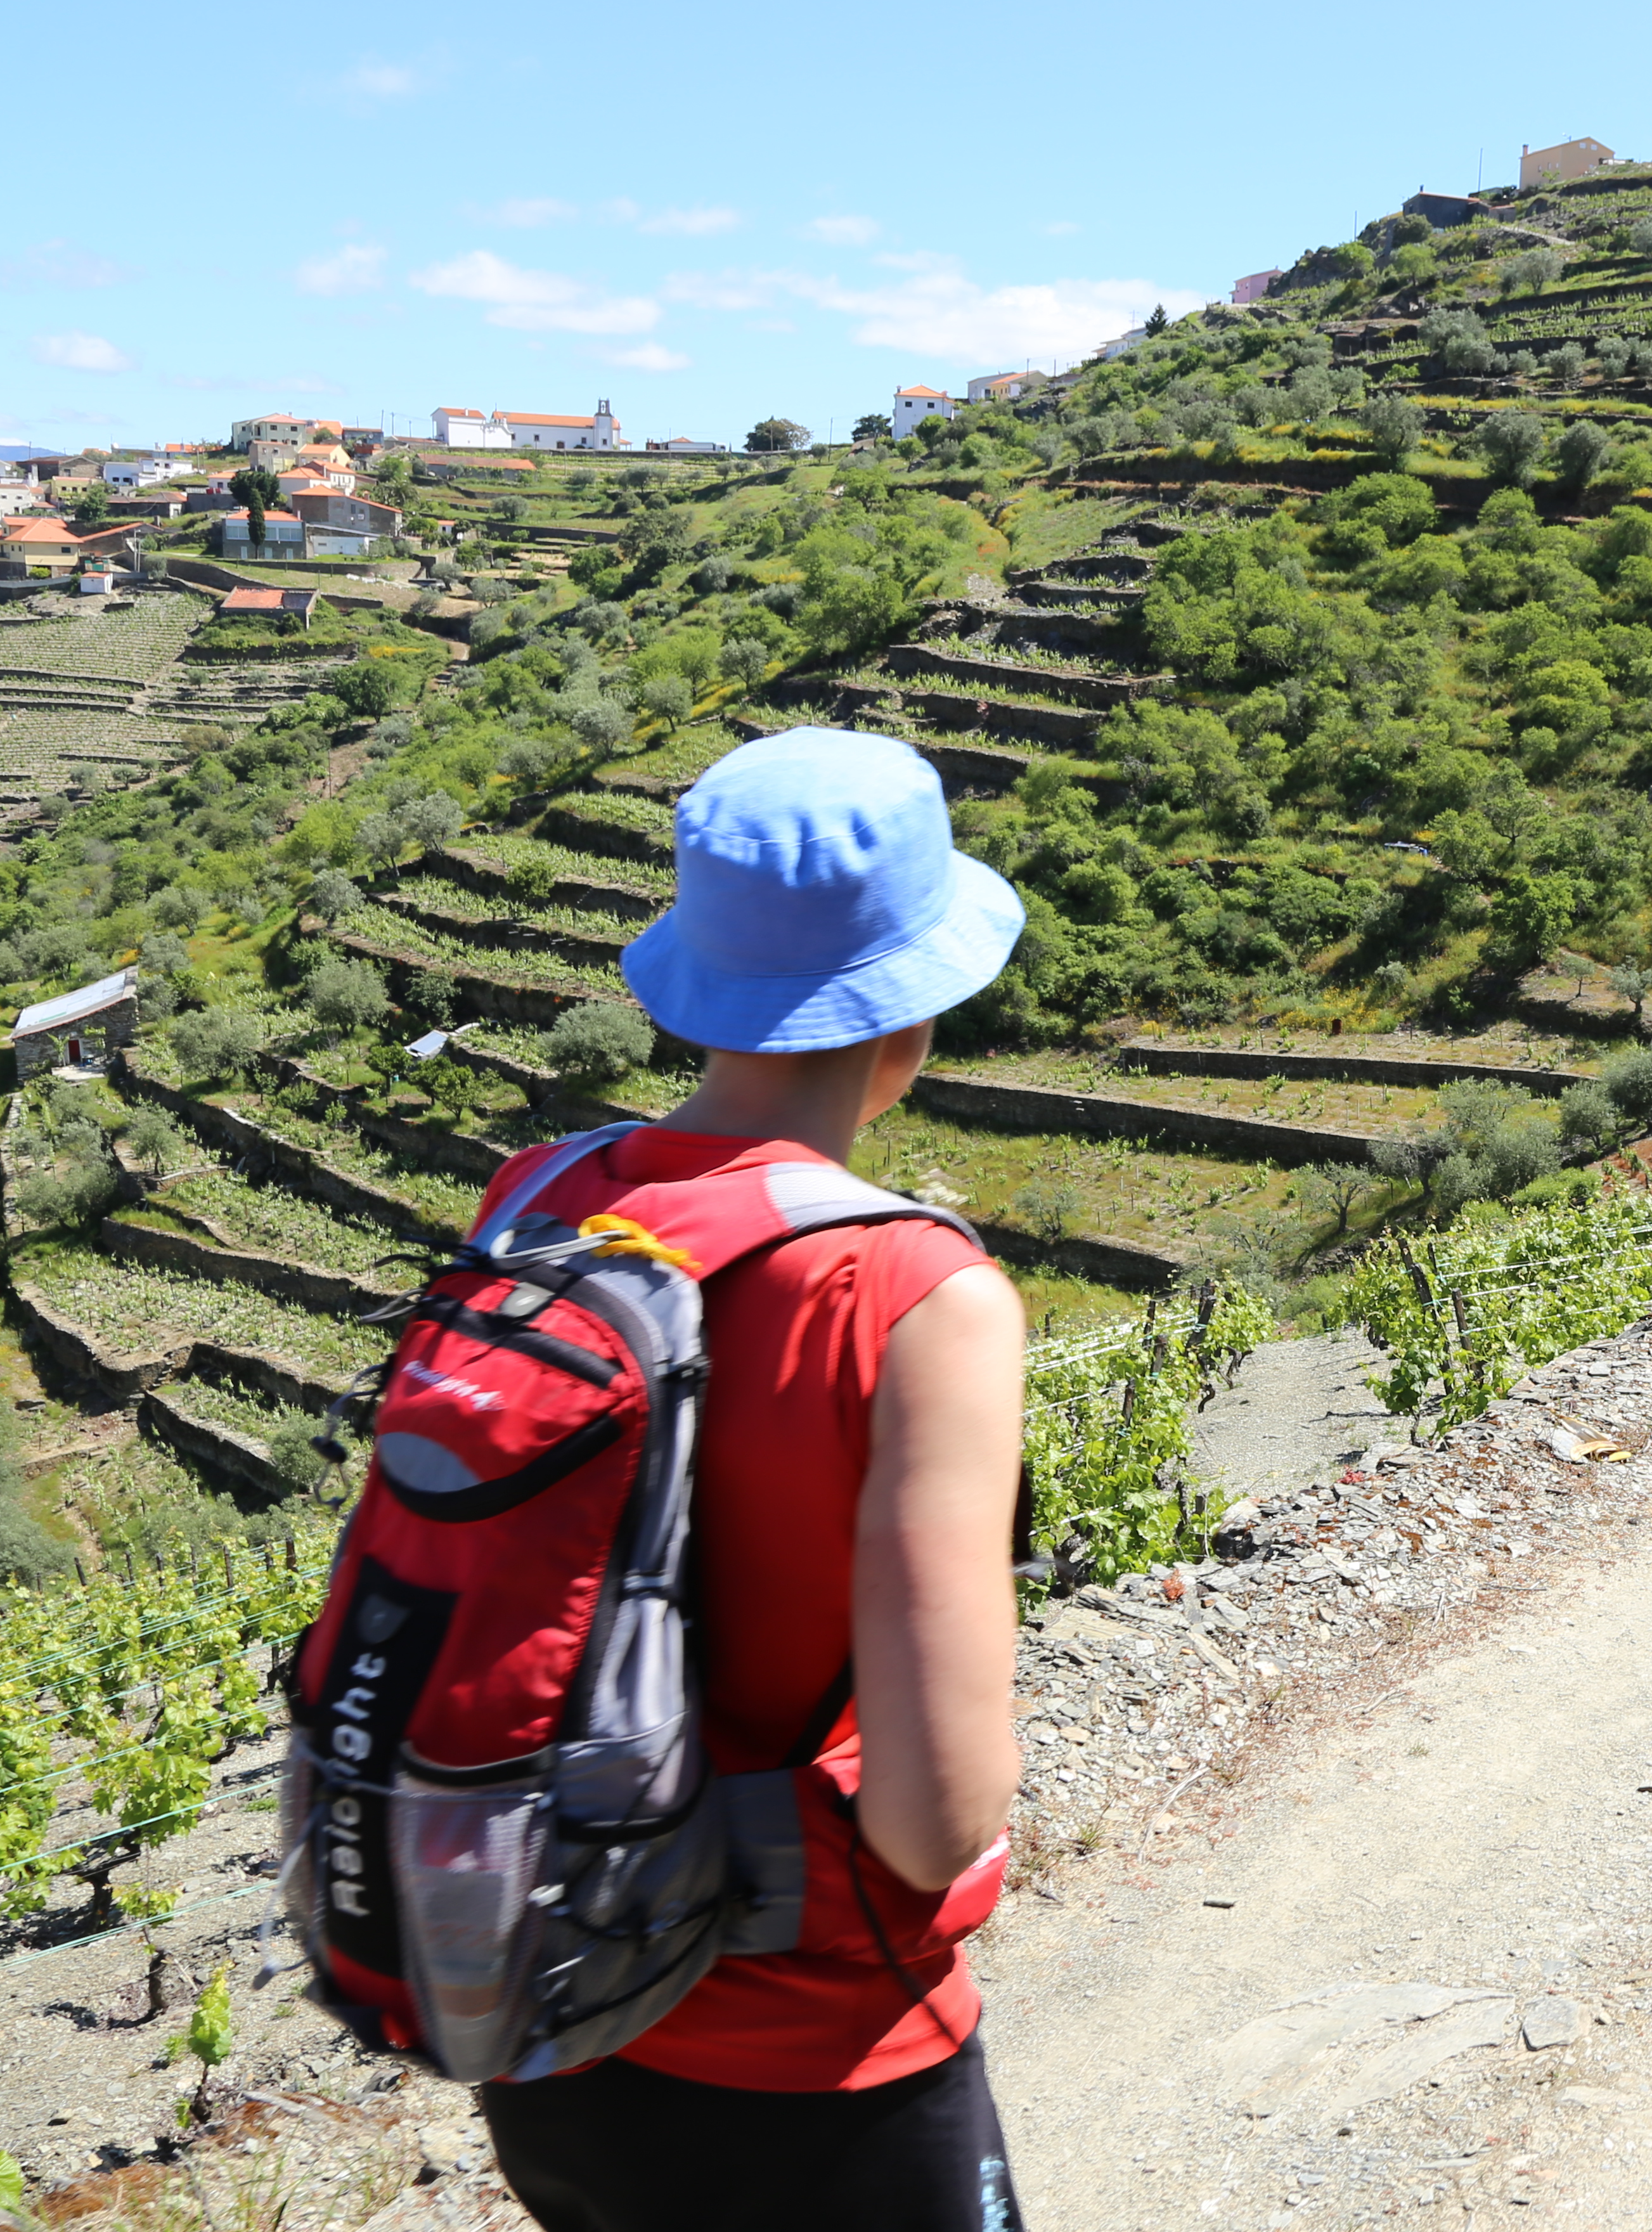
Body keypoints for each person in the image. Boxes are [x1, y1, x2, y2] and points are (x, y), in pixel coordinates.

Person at [468, 728, 1038, 2232]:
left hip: (550, 2027)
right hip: (823, 2077)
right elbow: (931, 1825)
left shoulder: (531, 1202)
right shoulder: (918, 1295)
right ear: (911, 1014)